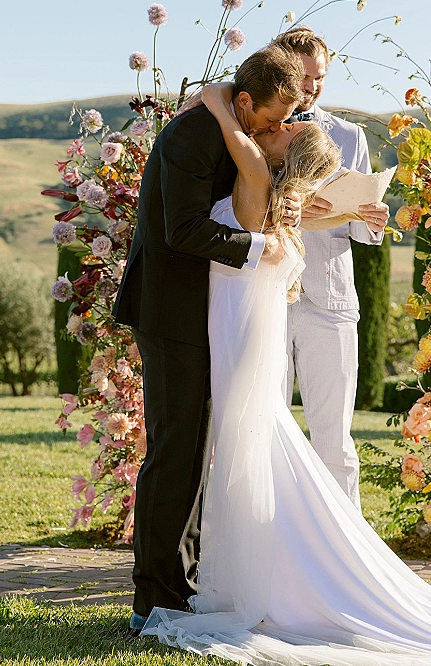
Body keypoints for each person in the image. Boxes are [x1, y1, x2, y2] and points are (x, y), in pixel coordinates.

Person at [139, 81, 431, 666]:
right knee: (245, 451)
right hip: (242, 340)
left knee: (236, 452)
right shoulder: (280, 209)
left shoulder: (254, 174)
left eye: (283, 132)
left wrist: (214, 103)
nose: (275, 129)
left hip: (232, 342)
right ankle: (245, 572)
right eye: (282, 123)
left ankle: (246, 577)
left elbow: (236, 138)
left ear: (282, 159)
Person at [112, 44, 305, 631]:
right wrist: (259, 249)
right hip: (170, 312)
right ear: (244, 101)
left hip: (207, 313)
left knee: (195, 451)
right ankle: (154, 598)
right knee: (175, 451)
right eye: (273, 119)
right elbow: (183, 230)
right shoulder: (189, 138)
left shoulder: (233, 128)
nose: (278, 129)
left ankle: (183, 583)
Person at [273, 26, 389, 507]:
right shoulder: (257, 131)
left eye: (319, 76)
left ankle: (347, 560)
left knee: (335, 443)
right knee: (267, 431)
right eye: (301, 75)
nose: (311, 85)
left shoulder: (349, 135)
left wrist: (374, 219)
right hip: (268, 297)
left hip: (332, 300)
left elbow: (361, 233)